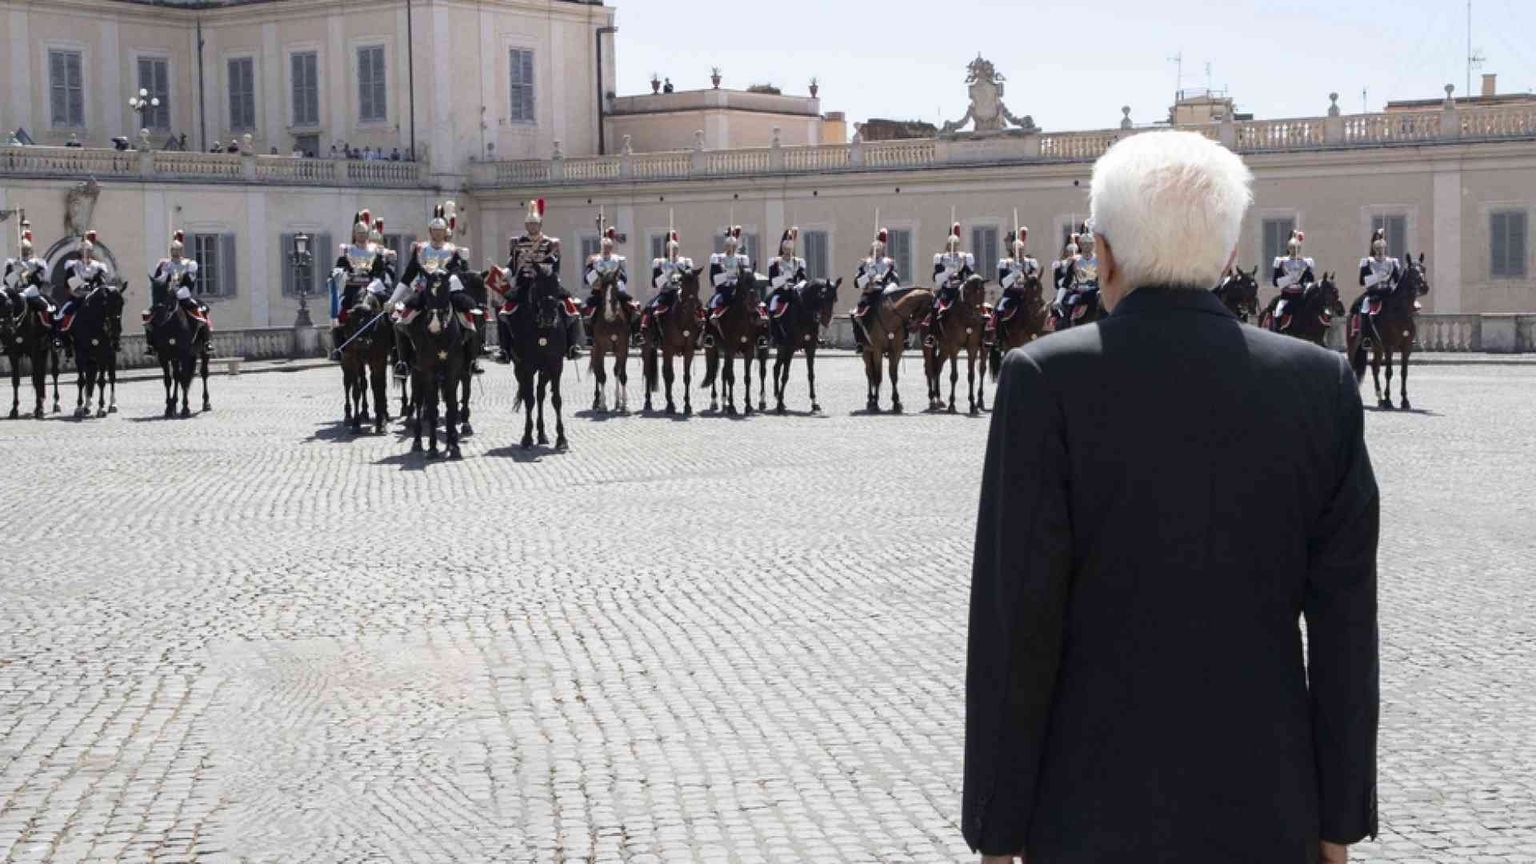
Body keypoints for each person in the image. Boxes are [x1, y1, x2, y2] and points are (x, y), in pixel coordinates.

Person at [965, 130, 1378, 864]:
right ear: (1227, 255)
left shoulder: (1043, 382)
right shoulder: (1322, 385)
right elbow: (1347, 627)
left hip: (1085, 812)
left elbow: (1015, 626)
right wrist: (1338, 821)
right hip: (1270, 807)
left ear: (1103, 254)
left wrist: (997, 831)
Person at [393, 202, 480, 376]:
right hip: (425, 291)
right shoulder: (420, 250)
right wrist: (392, 299)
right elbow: (407, 276)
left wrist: (449, 278)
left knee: (471, 317)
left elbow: (460, 271)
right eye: (435, 230)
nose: (438, 233)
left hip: (448, 291)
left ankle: (472, 360)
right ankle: (403, 361)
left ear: (445, 232)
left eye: (441, 230)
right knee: (401, 320)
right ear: (430, 231)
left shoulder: (453, 250)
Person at [503, 197, 581, 360]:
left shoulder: (549, 244)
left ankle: (573, 346)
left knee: (570, 308)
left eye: (535, 224)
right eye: (530, 224)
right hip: (524, 282)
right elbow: (512, 263)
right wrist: (506, 272)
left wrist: (543, 269)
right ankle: (504, 349)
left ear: (540, 225)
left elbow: (555, 264)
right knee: (504, 311)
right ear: (526, 226)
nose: (532, 227)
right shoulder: (519, 243)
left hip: (546, 282)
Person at [328, 210, 395, 360]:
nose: (362, 236)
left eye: (364, 233)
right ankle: (339, 347)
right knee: (339, 313)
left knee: (393, 311)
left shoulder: (375, 251)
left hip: (372, 289)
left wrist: (375, 283)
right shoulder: (347, 251)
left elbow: (381, 271)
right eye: (359, 233)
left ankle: (394, 346)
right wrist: (335, 274)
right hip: (352, 288)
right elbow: (340, 267)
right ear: (354, 234)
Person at [142, 229, 211, 357]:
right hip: (168, 295)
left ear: (181, 251)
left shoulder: (189, 264)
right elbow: (161, 279)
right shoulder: (165, 264)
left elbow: (191, 281)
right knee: (148, 316)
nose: (175, 253)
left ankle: (206, 342)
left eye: (177, 250)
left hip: (183, 293)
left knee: (200, 312)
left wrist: (180, 290)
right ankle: (150, 345)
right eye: (173, 250)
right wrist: (160, 281)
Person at [580, 225, 639, 340]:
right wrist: (595, 274)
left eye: (608, 247)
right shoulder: (594, 260)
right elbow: (586, 277)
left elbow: (624, 278)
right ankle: (589, 335)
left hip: (615, 289)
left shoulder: (618, 259)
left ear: (611, 247)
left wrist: (616, 275)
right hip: (599, 289)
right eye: (604, 247)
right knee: (586, 308)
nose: (606, 249)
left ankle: (635, 333)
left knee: (633, 307)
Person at [55, 230, 114, 338]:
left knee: (110, 314)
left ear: (91, 251)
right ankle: (63, 339)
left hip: (94, 297)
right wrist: (76, 294)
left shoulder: (98, 267)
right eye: (83, 250)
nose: (85, 253)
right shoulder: (73, 266)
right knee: (63, 313)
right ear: (80, 252)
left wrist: (94, 294)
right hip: (77, 297)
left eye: (88, 250)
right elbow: (68, 285)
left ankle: (114, 337)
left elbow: (102, 285)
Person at [923, 221, 974, 346]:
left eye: (956, 244)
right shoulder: (941, 258)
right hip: (946, 290)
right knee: (935, 307)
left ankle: (982, 335)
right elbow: (936, 278)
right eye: (951, 244)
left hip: (960, 290)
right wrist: (947, 272)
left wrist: (962, 277)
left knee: (978, 307)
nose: (954, 246)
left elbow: (970, 274)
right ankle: (932, 334)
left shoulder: (964, 257)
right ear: (947, 244)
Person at [850, 227, 900, 350]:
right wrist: (868, 275)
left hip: (884, 293)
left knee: (900, 311)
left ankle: (904, 339)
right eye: (875, 249)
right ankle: (860, 341)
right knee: (855, 314)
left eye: (879, 249)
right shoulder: (865, 263)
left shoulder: (889, 263)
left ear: (883, 250)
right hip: (869, 293)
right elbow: (856, 283)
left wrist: (888, 289)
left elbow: (895, 280)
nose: (877, 251)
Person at [643, 229, 694, 338]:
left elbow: (690, 278)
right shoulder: (660, 262)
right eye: (670, 249)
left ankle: (702, 335)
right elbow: (654, 282)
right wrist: (666, 277)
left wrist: (681, 277)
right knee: (650, 307)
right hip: (666, 292)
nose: (673, 251)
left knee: (697, 308)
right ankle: (648, 332)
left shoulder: (685, 262)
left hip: (681, 292)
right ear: (666, 250)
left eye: (675, 249)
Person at [3, 222, 54, 325]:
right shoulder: (12, 264)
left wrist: (25, 272)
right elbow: (6, 281)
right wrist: (15, 274)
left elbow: (39, 281)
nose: (24, 252)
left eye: (26, 250)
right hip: (16, 291)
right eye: (23, 250)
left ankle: (49, 328)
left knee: (50, 306)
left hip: (32, 290)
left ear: (30, 251)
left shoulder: (37, 264)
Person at [1354, 228, 1401, 334]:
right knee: (1363, 307)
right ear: (1374, 249)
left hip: (1388, 292)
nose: (1380, 251)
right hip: (1373, 292)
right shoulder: (1368, 262)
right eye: (1378, 249)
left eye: (1382, 248)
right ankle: (1365, 334)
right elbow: (1362, 281)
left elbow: (1396, 280)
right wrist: (1377, 278)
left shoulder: (1392, 262)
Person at [764, 227, 806, 346]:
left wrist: (799, 285)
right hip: (780, 291)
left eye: (789, 247)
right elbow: (772, 281)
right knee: (771, 306)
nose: (787, 250)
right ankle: (771, 334)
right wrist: (784, 278)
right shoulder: (775, 262)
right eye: (785, 248)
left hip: (793, 291)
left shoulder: (798, 262)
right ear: (782, 247)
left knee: (806, 307)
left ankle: (809, 334)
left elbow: (803, 278)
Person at [991, 227, 1040, 329]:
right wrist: (1013, 275)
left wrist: (1029, 278)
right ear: (1013, 250)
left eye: (1021, 250)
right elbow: (1003, 283)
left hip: (1026, 295)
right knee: (999, 310)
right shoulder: (1006, 263)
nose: (1019, 252)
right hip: (1011, 294)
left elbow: (1034, 278)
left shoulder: (1030, 262)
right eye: (1017, 250)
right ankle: (998, 335)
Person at [706, 226, 751, 318]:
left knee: (754, 302)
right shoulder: (717, 258)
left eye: (733, 246)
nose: (731, 248)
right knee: (713, 304)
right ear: (725, 246)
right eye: (729, 246)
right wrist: (727, 275)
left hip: (739, 289)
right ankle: (709, 326)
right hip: (723, 290)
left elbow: (747, 277)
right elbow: (713, 280)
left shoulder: (742, 259)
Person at [1272, 229, 1316, 321]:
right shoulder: (1281, 262)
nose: (1294, 250)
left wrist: (1304, 284)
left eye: (1296, 248)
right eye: (1292, 247)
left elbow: (1311, 280)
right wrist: (1289, 279)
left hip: (1301, 298)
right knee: (1278, 314)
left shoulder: (1306, 262)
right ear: (1288, 248)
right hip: (1286, 297)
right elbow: (1275, 282)